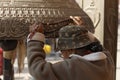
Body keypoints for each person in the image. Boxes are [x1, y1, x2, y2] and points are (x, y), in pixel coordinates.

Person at [27, 22, 114, 80]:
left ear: (70, 50)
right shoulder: (106, 59)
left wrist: (36, 38)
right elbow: (97, 43)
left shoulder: (73, 67)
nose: (62, 56)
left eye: (62, 52)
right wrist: (79, 29)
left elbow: (37, 69)